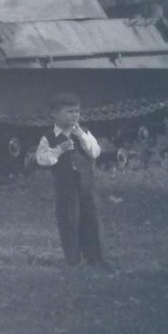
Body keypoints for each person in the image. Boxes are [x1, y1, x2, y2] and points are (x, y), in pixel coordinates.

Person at [35, 91, 109, 269]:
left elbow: (95, 152)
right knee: (69, 219)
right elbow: (42, 159)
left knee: (92, 218)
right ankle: (73, 259)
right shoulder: (49, 137)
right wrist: (59, 149)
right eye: (69, 112)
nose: (75, 115)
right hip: (65, 185)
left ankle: (96, 257)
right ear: (55, 114)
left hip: (87, 183)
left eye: (77, 111)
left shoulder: (84, 132)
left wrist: (81, 136)